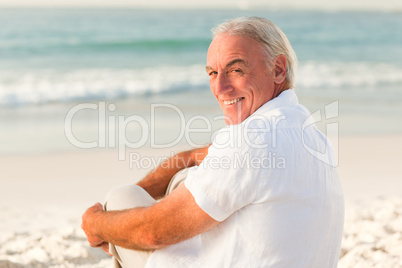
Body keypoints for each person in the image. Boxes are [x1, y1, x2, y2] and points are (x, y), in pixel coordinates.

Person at [82, 17, 344, 267]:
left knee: (121, 198)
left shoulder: (253, 139)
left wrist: (97, 223)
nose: (219, 88)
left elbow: (152, 232)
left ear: (277, 69)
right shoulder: (310, 135)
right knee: (181, 181)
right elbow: (198, 156)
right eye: (213, 73)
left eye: (236, 70)